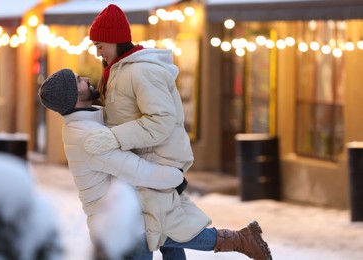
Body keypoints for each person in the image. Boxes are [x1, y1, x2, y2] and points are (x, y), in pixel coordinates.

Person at [88, 4, 272, 260]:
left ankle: (241, 239)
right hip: (142, 162)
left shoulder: (141, 71)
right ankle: (242, 238)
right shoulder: (118, 72)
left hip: (156, 160)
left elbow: (162, 120)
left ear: (116, 40)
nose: (98, 52)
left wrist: (115, 137)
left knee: (153, 230)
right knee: (163, 231)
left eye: (100, 45)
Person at [38, 68, 272, 260]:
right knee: (171, 233)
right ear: (73, 96)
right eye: (79, 80)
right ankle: (239, 239)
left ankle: (241, 239)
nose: (86, 78)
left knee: (170, 230)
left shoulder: (90, 122)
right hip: (123, 224)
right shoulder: (87, 136)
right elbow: (138, 171)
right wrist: (176, 176)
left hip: (135, 211)